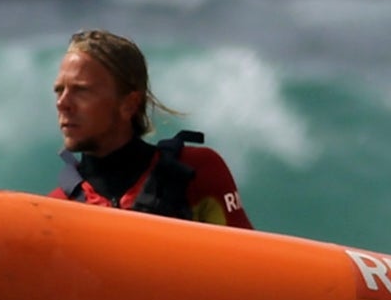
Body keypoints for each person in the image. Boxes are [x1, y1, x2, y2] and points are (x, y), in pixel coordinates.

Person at [49, 30, 253, 228]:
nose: (62, 103)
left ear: (129, 104)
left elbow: (247, 258)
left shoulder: (195, 173)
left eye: (81, 90)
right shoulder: (57, 207)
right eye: (59, 90)